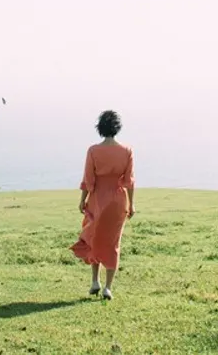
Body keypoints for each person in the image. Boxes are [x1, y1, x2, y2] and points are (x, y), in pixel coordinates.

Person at [70, 110, 135, 300]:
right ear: (117, 128)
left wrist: (83, 199)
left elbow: (88, 180)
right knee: (113, 242)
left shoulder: (93, 151)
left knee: (94, 238)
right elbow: (129, 181)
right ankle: (108, 287)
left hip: (98, 198)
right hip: (118, 200)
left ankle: (94, 281)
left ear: (100, 128)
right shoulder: (127, 151)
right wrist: (131, 204)